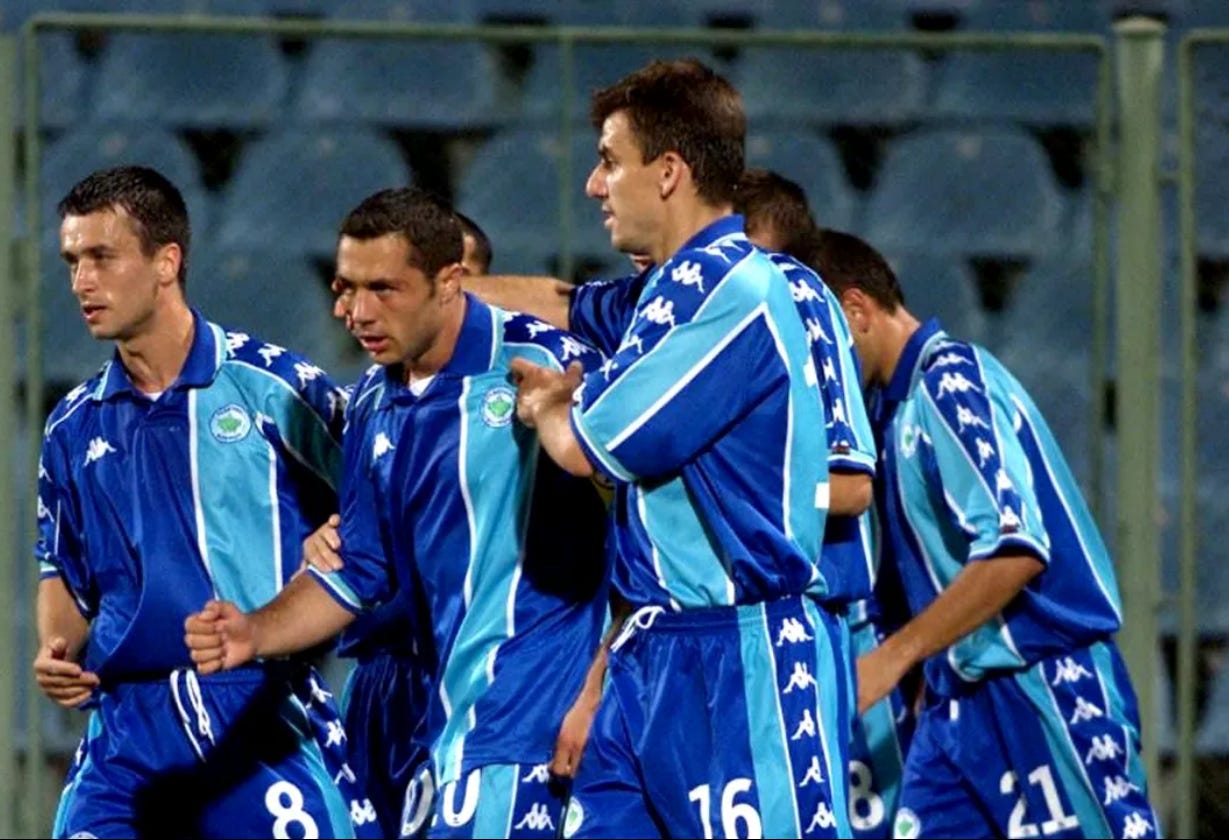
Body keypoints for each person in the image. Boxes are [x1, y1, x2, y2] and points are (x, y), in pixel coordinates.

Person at [185, 187, 611, 839]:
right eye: (346, 288)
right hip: (444, 725)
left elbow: (649, 524)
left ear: (450, 281)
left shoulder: (549, 365)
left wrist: (601, 681)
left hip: (530, 722)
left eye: (384, 289)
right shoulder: (371, 402)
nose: (358, 312)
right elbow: (360, 569)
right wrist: (255, 632)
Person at [507, 59, 849, 839]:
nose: (593, 186)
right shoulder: (667, 290)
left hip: (743, 654)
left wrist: (550, 405)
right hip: (651, 646)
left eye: (608, 161)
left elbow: (587, 447)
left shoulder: (731, 291)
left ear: (666, 173)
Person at [34, 165, 360, 838]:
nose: (81, 282)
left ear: (166, 262)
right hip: (127, 729)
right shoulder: (72, 425)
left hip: (257, 710)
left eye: (101, 257)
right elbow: (60, 566)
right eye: (72, 262)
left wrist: (336, 535)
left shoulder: (275, 387)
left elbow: (380, 498)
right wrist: (56, 650)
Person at [818, 229, 1161, 840]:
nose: (819, 373)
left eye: (819, 345)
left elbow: (1015, 549)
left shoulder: (950, 383)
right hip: (957, 710)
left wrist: (894, 658)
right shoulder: (890, 416)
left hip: (1044, 684)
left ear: (855, 310)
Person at [306, 211, 497, 840]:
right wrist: (317, 537)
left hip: (485, 682)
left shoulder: (522, 398)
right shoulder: (367, 402)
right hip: (384, 687)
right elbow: (342, 530)